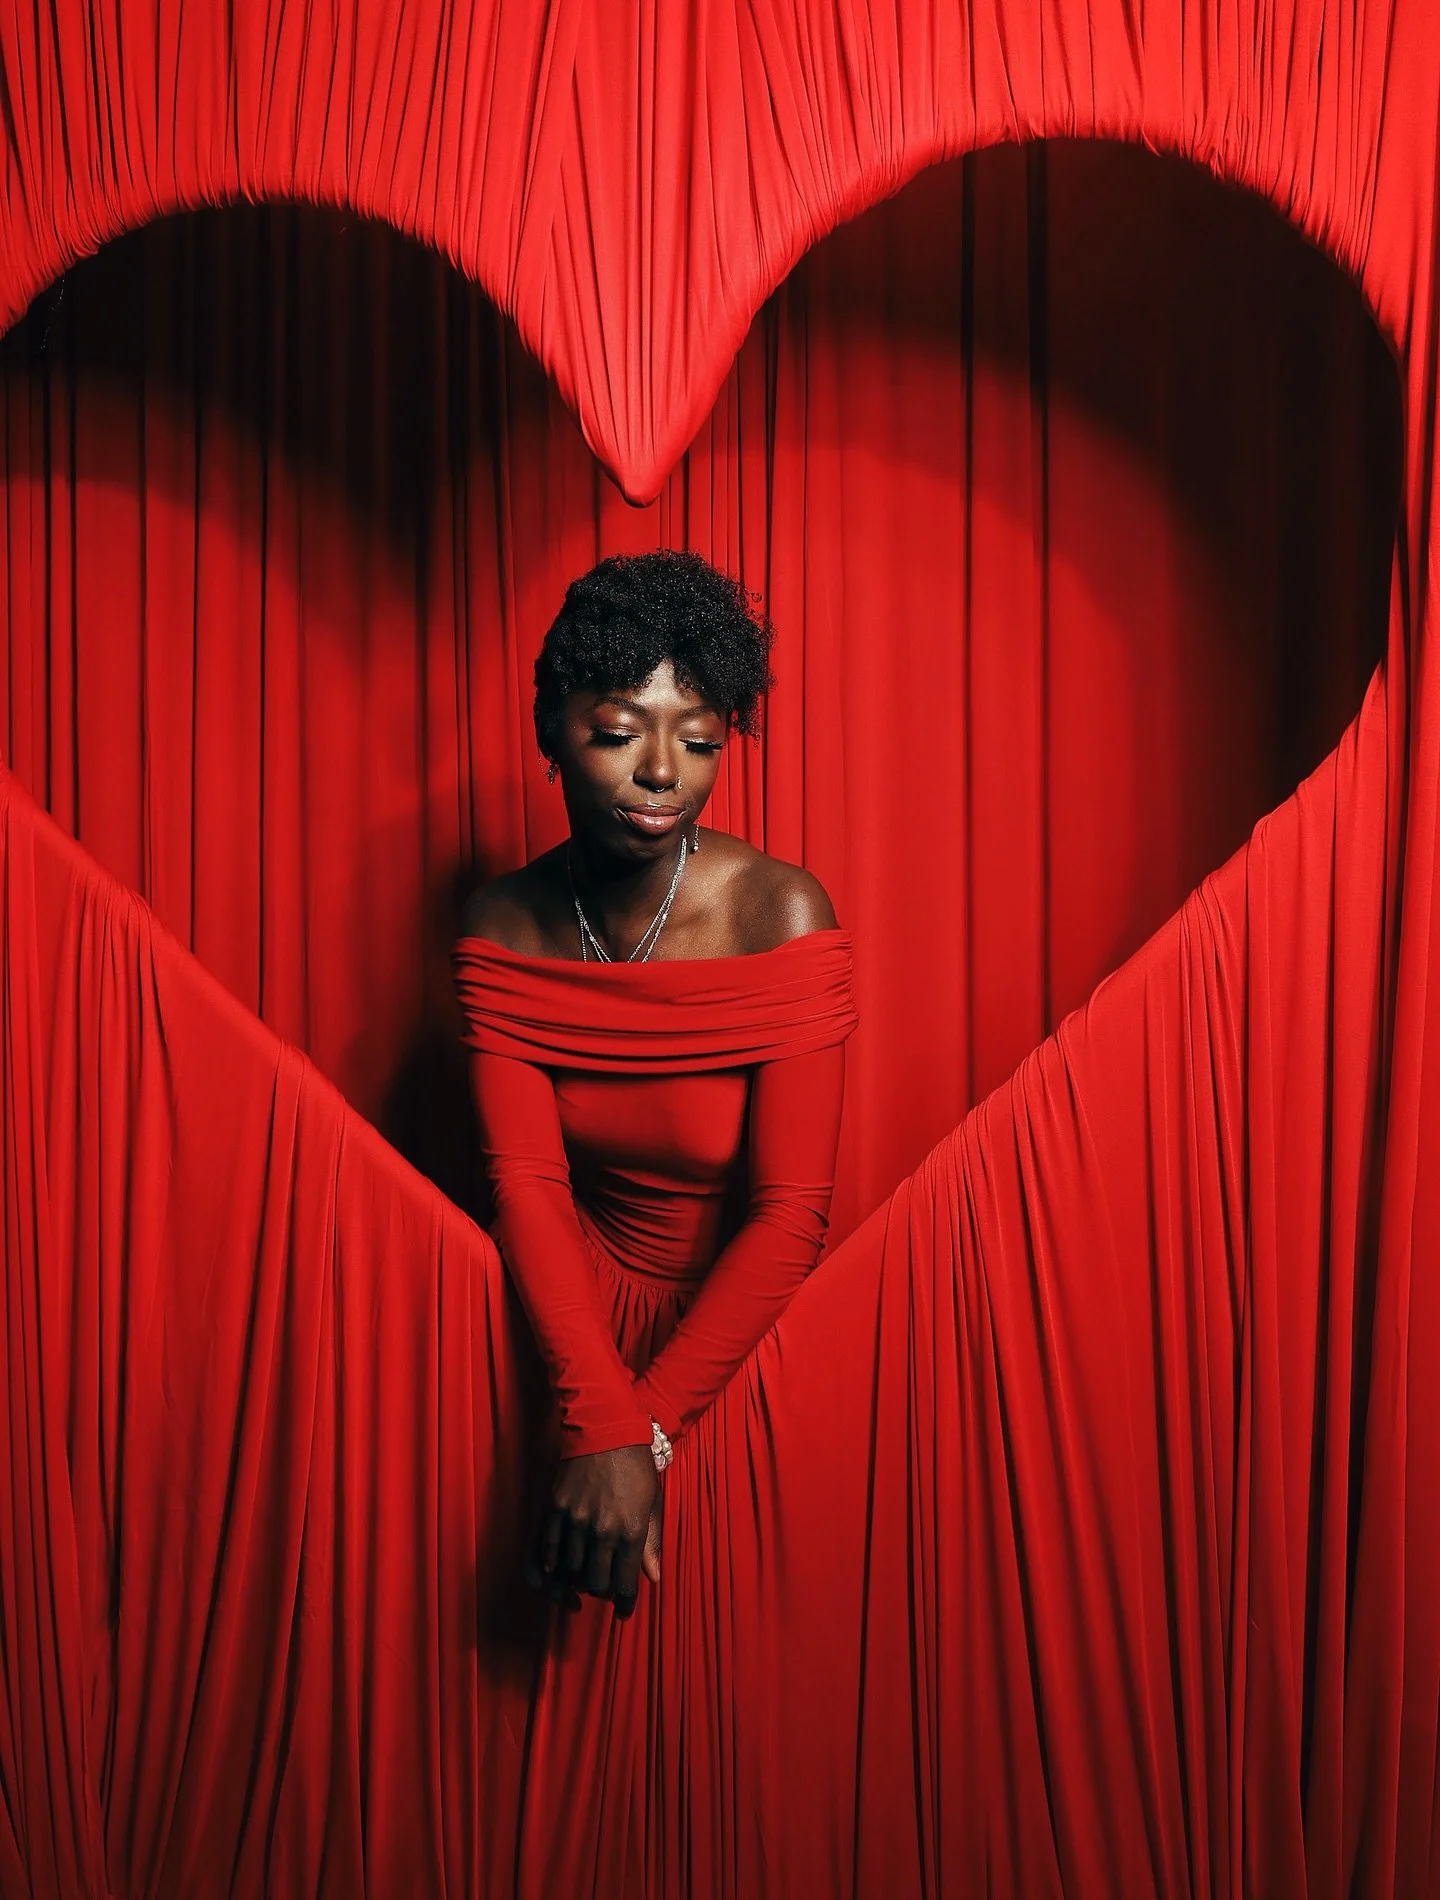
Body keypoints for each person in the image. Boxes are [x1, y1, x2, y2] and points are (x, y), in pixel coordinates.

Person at [453, 548, 857, 1624]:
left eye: (702, 739)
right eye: (621, 733)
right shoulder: (503, 922)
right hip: (554, 1317)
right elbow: (526, 1184)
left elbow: (790, 1217)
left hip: (732, 1329)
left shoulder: (779, 913)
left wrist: (643, 1429)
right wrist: (593, 1412)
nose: (665, 772)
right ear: (551, 731)